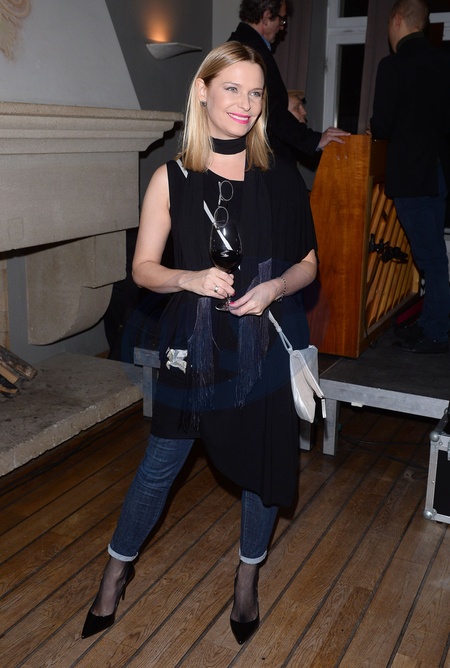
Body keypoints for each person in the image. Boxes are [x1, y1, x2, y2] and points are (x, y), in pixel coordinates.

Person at [81, 41, 318, 645]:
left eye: (255, 92)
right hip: (191, 346)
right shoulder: (173, 178)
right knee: (158, 466)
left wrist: (275, 287)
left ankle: (247, 581)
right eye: (232, 88)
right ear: (203, 90)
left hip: (259, 346)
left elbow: (309, 264)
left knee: (263, 472)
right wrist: (188, 278)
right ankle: (115, 573)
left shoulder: (279, 176)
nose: (245, 103)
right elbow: (142, 269)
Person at [370, 0, 450, 354]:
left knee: (431, 258)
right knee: (433, 255)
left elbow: (382, 124)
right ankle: (432, 322)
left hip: (412, 175)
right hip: (439, 173)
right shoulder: (444, 63)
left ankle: (437, 332)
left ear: (397, 20)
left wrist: (376, 129)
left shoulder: (393, 65)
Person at [228, 0, 349, 162]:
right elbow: (271, 110)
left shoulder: (240, 43)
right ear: (266, 17)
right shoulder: (251, 51)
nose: (282, 27)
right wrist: (314, 140)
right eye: (282, 20)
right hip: (255, 156)